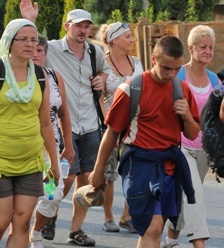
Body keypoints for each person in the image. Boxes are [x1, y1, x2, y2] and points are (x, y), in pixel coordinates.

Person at [89, 35, 200, 248]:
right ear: (153, 59)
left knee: (152, 230)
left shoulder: (182, 89)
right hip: (139, 165)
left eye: (177, 69)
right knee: (153, 227)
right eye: (166, 68)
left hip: (169, 166)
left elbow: (194, 134)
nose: (172, 74)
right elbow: (112, 132)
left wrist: (186, 116)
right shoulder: (132, 88)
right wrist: (98, 170)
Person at [20, 0, 109, 246]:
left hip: (88, 124)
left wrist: (102, 79)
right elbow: (27, 49)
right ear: (66, 26)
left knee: (84, 180)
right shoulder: (52, 52)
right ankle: (48, 213)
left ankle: (72, 230)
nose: (83, 30)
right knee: (63, 181)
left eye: (86, 26)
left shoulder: (94, 51)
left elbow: (105, 72)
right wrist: (29, 22)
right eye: (78, 25)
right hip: (51, 134)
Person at [0, 19, 59, 248]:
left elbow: (46, 124)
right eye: (24, 39)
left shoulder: (40, 76)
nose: (30, 44)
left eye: (34, 40)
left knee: (22, 222)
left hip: (30, 162)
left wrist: (54, 162)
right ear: (9, 42)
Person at [163, 25, 219, 248]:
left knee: (187, 196)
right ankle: (199, 244)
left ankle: (170, 240)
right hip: (180, 146)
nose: (207, 51)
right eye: (203, 47)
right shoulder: (179, 75)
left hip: (204, 148)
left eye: (211, 47)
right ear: (191, 48)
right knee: (194, 193)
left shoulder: (215, 80)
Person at [98, 21, 144, 234]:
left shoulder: (137, 62)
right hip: (111, 126)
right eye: (127, 37)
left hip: (136, 126)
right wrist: (111, 124)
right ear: (115, 40)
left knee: (135, 172)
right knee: (109, 174)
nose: (132, 40)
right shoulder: (103, 64)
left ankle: (127, 215)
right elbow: (99, 96)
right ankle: (108, 217)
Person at [29, 34, 74, 248]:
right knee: (23, 199)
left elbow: (64, 114)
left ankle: (35, 232)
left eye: (41, 50)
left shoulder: (54, 77)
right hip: (22, 148)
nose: (36, 54)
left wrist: (69, 146)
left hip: (50, 149)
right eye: (33, 49)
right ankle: (19, 234)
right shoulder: (16, 77)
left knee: (52, 195)